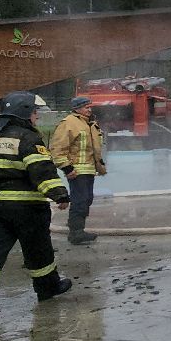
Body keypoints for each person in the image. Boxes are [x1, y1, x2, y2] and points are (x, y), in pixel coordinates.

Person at [0, 91, 73, 319]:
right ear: (24, 113)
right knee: (38, 250)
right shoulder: (27, 137)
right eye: (35, 112)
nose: (37, 116)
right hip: (27, 208)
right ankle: (48, 288)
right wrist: (59, 195)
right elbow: (41, 171)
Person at [48, 95, 106, 245]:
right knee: (80, 200)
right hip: (76, 171)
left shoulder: (90, 123)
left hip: (88, 170)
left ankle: (77, 228)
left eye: (90, 107)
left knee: (87, 199)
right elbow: (57, 148)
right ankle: (76, 232)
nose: (90, 110)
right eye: (86, 107)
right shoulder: (69, 123)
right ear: (77, 109)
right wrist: (67, 168)